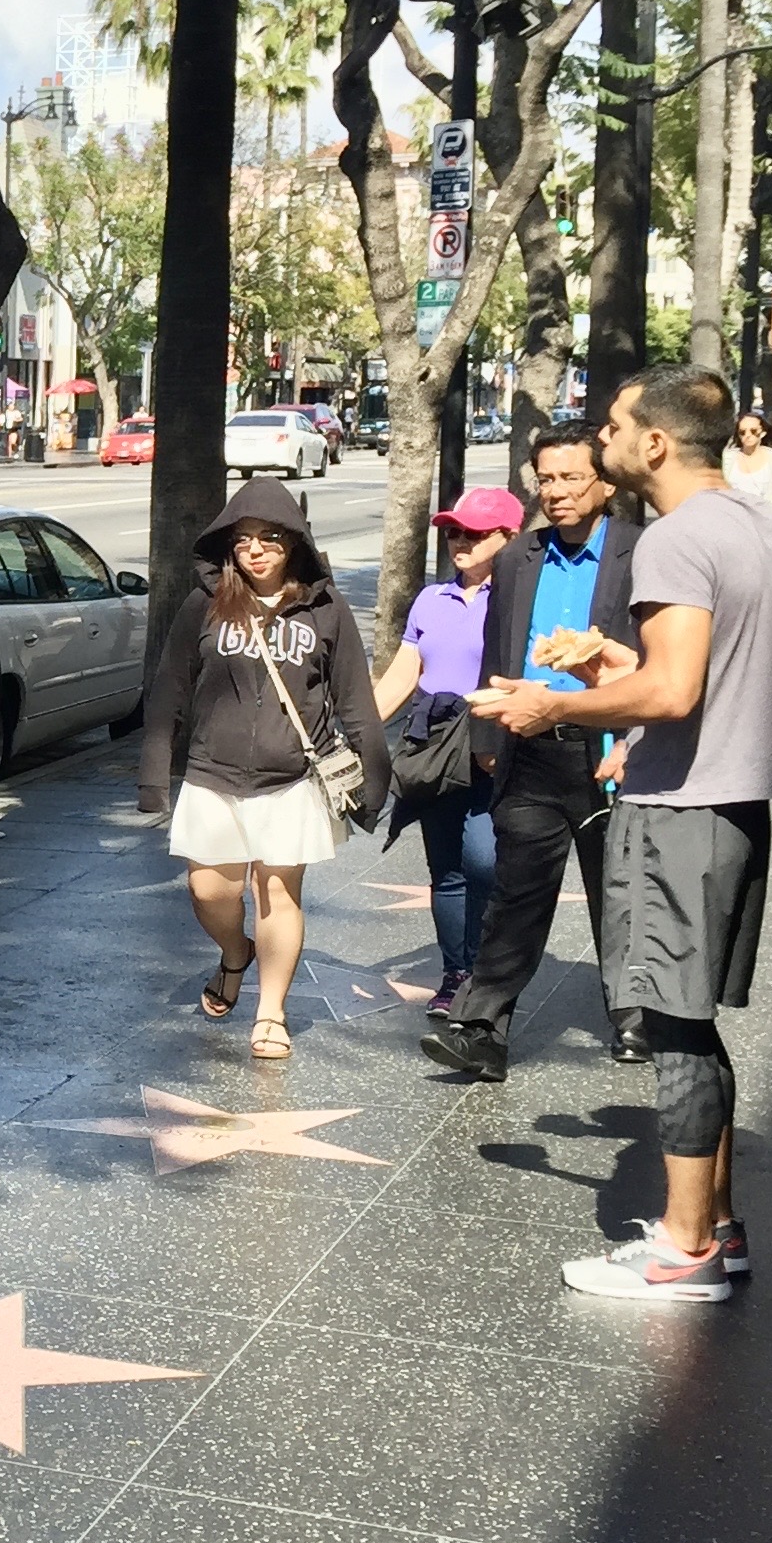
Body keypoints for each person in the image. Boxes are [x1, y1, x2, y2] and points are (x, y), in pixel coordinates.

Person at [474, 366, 772, 1303]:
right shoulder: (767, 531)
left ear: (653, 443)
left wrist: (556, 704)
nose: (603, 441)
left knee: (675, 1029)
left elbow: (673, 692)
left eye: (616, 426)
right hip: (738, 804)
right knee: (691, 1021)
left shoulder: (671, 539)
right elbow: (708, 672)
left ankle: (684, 1248)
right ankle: (719, 1231)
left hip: (681, 813)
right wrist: (620, 661)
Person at [135, 480, 391, 1061]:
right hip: (211, 775)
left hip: (292, 778)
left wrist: (376, 779)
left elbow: (354, 698)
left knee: (278, 890)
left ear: (293, 543)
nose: (255, 549)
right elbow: (170, 688)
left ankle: (271, 1012)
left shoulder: (326, 608)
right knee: (209, 889)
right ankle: (234, 953)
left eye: (270, 537)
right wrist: (154, 775)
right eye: (243, 540)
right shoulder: (205, 603)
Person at [424, 426, 648, 1081]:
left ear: (605, 483)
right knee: (516, 894)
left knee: (621, 888)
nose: (557, 492)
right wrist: (491, 744)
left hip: (610, 748)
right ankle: (481, 1027)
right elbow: (499, 653)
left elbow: (664, 659)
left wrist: (640, 739)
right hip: (530, 750)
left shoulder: (642, 551)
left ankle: (634, 1016)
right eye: (546, 479)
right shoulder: (519, 557)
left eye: (571, 478)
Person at [373, 486, 515, 1014]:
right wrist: (353, 729)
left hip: (495, 742)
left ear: (508, 538)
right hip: (435, 745)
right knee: (447, 868)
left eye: (475, 533)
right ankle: (457, 974)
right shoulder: (432, 599)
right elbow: (401, 679)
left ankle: (489, 971)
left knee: (484, 860)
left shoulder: (516, 599)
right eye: (455, 530)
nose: (461, 540)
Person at [725, 411, 772, 516]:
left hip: (764, 519)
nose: (748, 435)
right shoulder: (728, 457)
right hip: (734, 519)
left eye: (753, 431)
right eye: (742, 432)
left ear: (763, 432)